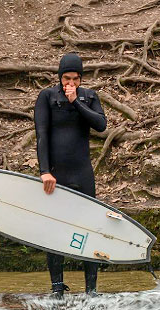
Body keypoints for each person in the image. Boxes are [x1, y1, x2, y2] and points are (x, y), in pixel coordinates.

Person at [34, 52, 107, 296]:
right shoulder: (47, 97)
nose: (71, 83)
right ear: (59, 77)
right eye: (67, 78)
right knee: (55, 228)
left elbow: (101, 125)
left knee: (89, 226)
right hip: (56, 174)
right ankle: (57, 286)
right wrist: (44, 171)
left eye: (75, 79)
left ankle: (91, 288)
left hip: (82, 172)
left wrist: (76, 101)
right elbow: (42, 135)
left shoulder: (89, 97)